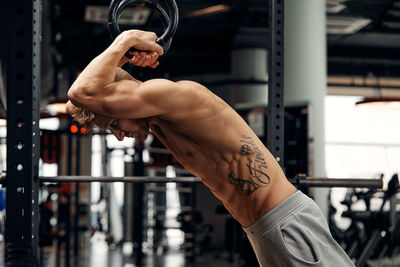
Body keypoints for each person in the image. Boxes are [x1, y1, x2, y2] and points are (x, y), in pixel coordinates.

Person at [66, 30, 354, 267]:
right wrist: (117, 63)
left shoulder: (170, 95)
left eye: (115, 123)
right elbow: (76, 103)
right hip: (261, 228)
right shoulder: (158, 122)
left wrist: (125, 41)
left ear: (126, 96)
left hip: (285, 220)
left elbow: (80, 92)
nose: (118, 135)